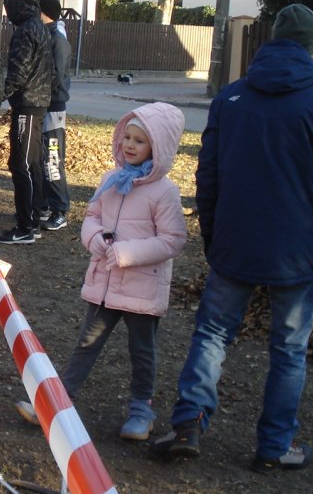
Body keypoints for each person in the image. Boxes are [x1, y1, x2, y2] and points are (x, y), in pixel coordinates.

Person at [151, 4, 313, 472]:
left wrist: (212, 233)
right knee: (289, 349)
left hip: (236, 241)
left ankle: (188, 424)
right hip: (297, 251)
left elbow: (208, 176)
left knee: (212, 334)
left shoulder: (231, 98)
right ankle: (275, 444)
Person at [15, 102, 187, 440]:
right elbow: (93, 216)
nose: (129, 145)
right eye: (127, 137)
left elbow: (173, 240)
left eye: (140, 140)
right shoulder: (111, 179)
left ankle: (141, 412)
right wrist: (94, 238)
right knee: (86, 344)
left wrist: (126, 253)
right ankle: (58, 403)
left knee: (142, 351)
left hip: (142, 287)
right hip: (106, 283)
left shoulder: (164, 191)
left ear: (158, 147)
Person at [0, 0, 53, 245]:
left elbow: (18, 73)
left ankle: (26, 226)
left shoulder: (26, 31)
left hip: (27, 105)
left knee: (23, 165)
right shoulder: (39, 28)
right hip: (37, 103)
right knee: (33, 164)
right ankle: (33, 220)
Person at [38, 0, 72, 231]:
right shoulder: (46, 35)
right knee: (41, 159)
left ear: (44, 13)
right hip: (43, 105)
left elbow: (56, 76)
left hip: (53, 107)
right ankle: (44, 205)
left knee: (52, 159)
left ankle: (60, 210)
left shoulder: (57, 40)